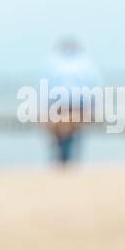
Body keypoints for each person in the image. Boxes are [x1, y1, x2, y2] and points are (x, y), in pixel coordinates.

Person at [44, 37, 100, 167]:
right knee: (66, 135)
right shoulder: (84, 63)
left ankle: (66, 162)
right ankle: (66, 161)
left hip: (72, 103)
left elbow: (92, 85)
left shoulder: (55, 63)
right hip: (63, 103)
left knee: (69, 134)